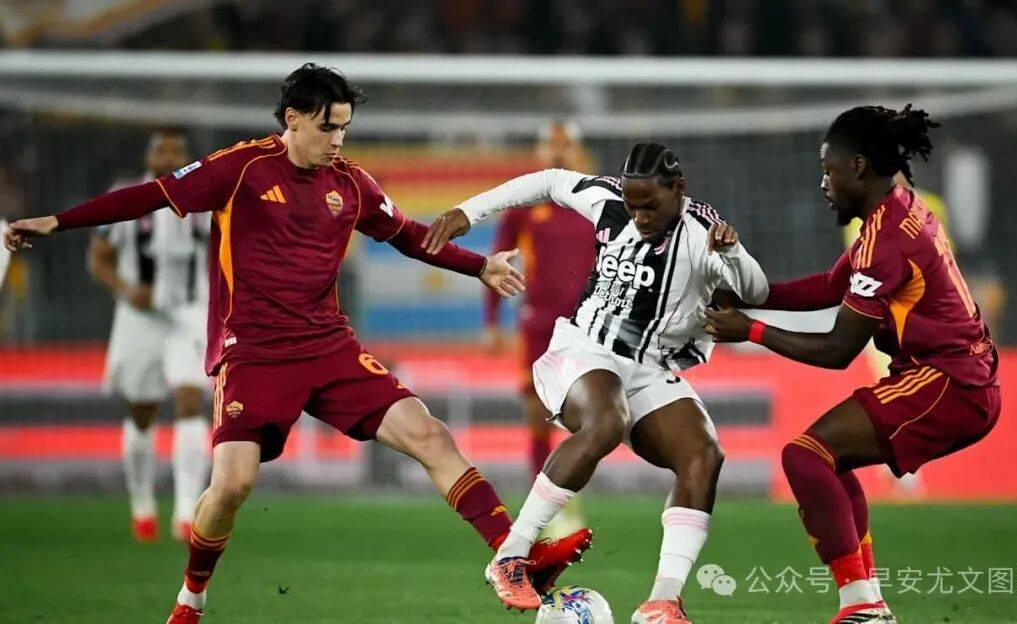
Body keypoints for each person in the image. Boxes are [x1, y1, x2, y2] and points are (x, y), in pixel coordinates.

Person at [4, 63, 590, 623]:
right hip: (253, 353)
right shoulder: (241, 168)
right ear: (293, 118)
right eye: (328, 127)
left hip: (328, 347)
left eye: (345, 128)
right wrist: (57, 222)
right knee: (231, 486)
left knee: (430, 434)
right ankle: (190, 600)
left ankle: (511, 557)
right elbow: (151, 195)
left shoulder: (350, 183)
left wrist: (479, 265)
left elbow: (408, 235)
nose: (338, 140)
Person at [423, 142, 769, 624]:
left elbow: (756, 290)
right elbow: (548, 180)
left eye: (650, 206)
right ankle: (510, 556)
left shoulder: (702, 234)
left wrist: (732, 254)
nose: (640, 217)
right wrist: (469, 211)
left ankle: (662, 602)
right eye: (632, 205)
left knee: (703, 455)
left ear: (679, 189)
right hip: (584, 349)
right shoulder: (607, 201)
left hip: (649, 367)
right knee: (605, 421)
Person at [704, 105, 1000, 624]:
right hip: (957, 376)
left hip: (948, 382)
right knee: (825, 458)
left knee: (805, 457)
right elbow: (830, 286)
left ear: (858, 166)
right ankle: (868, 605)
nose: (823, 183)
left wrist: (749, 330)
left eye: (829, 170)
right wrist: (747, 296)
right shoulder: (896, 210)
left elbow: (839, 350)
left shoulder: (889, 239)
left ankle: (861, 604)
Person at [87, 128, 211, 543]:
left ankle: (186, 512)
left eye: (177, 150)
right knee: (143, 410)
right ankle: (142, 503)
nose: (169, 157)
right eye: (162, 149)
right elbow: (98, 259)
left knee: (191, 401)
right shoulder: (127, 197)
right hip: (139, 317)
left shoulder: (205, 200)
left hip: (189, 313)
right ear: (148, 155)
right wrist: (127, 289)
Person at [482, 121, 594, 535]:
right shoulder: (526, 203)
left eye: (567, 145)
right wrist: (492, 321)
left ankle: (567, 498)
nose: (559, 152)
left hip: (584, 327)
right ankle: (544, 509)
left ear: (579, 152)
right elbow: (498, 260)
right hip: (538, 324)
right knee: (537, 415)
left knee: (585, 416)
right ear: (540, 151)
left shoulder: (595, 200)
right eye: (552, 145)